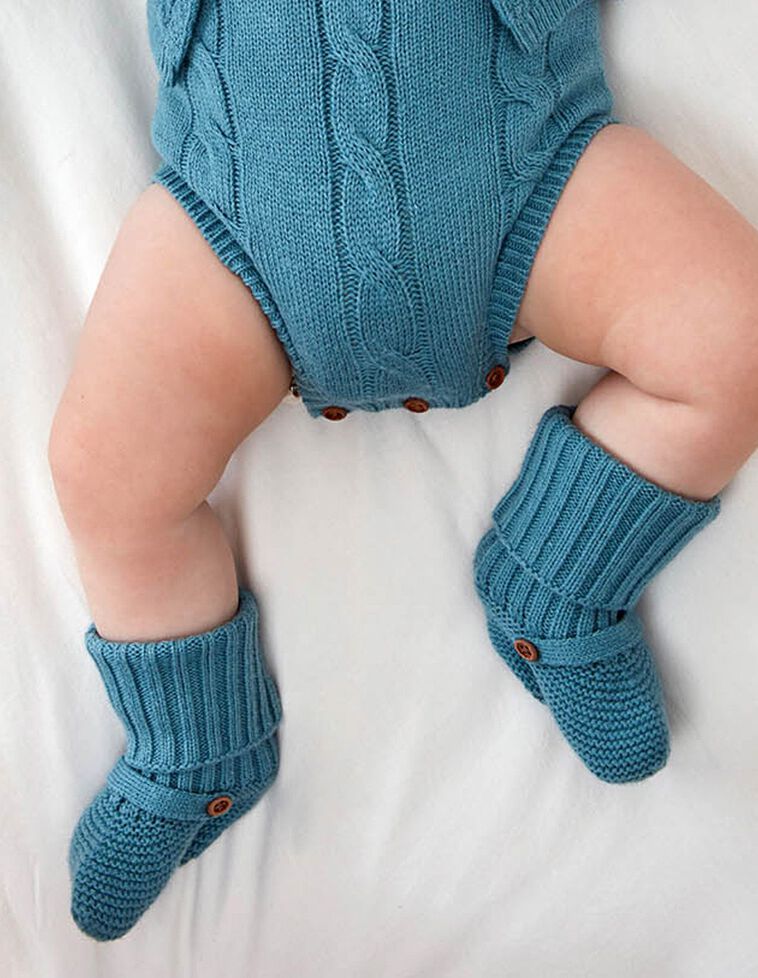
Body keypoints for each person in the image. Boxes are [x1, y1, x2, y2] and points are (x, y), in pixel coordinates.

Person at [47, 0, 758, 941]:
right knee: (104, 469)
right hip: (233, 218)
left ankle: (560, 582)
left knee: (736, 338)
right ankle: (192, 742)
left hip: (530, 168)